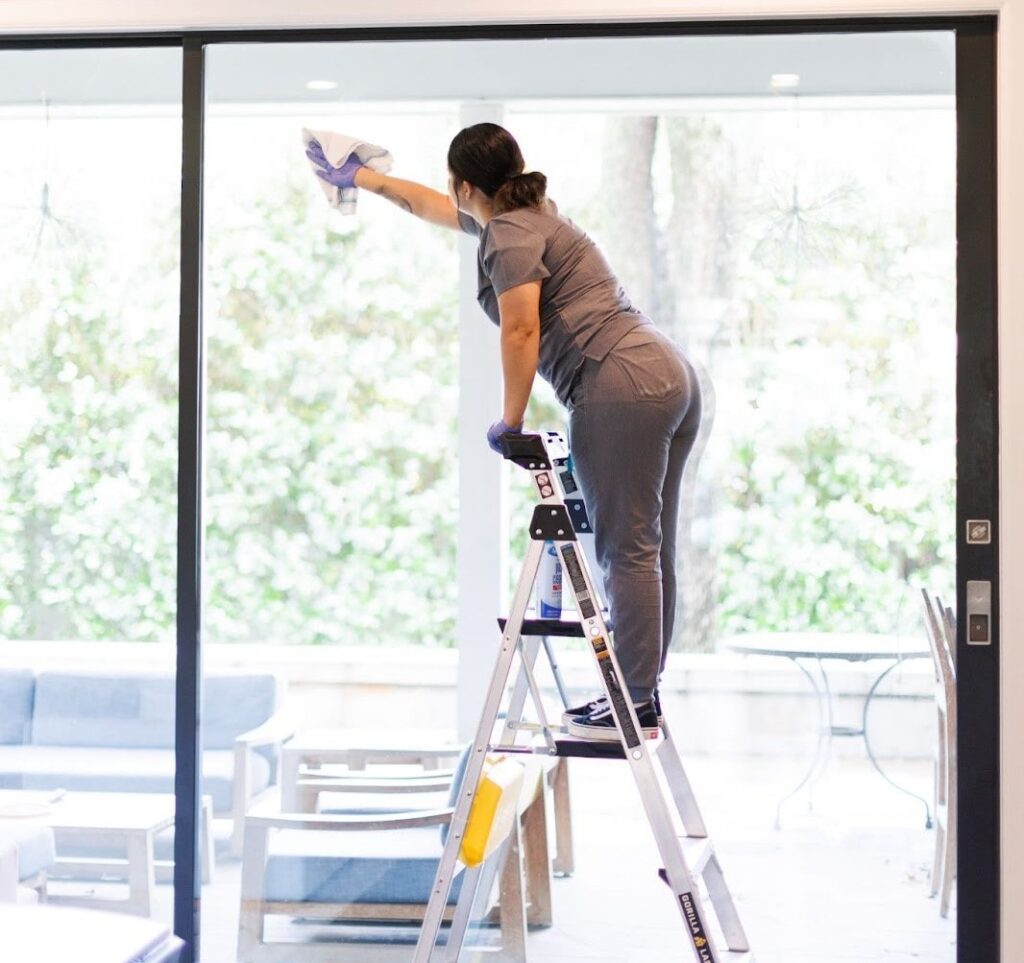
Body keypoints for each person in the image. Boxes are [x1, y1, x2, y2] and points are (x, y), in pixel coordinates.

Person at [306, 123, 702, 741]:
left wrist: (508, 423)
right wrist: (364, 178)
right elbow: (432, 206)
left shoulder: (509, 236)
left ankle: (633, 703)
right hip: (665, 373)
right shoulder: (532, 215)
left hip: (619, 381)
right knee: (649, 549)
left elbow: (520, 330)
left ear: (466, 184)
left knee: (628, 550)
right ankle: (640, 696)